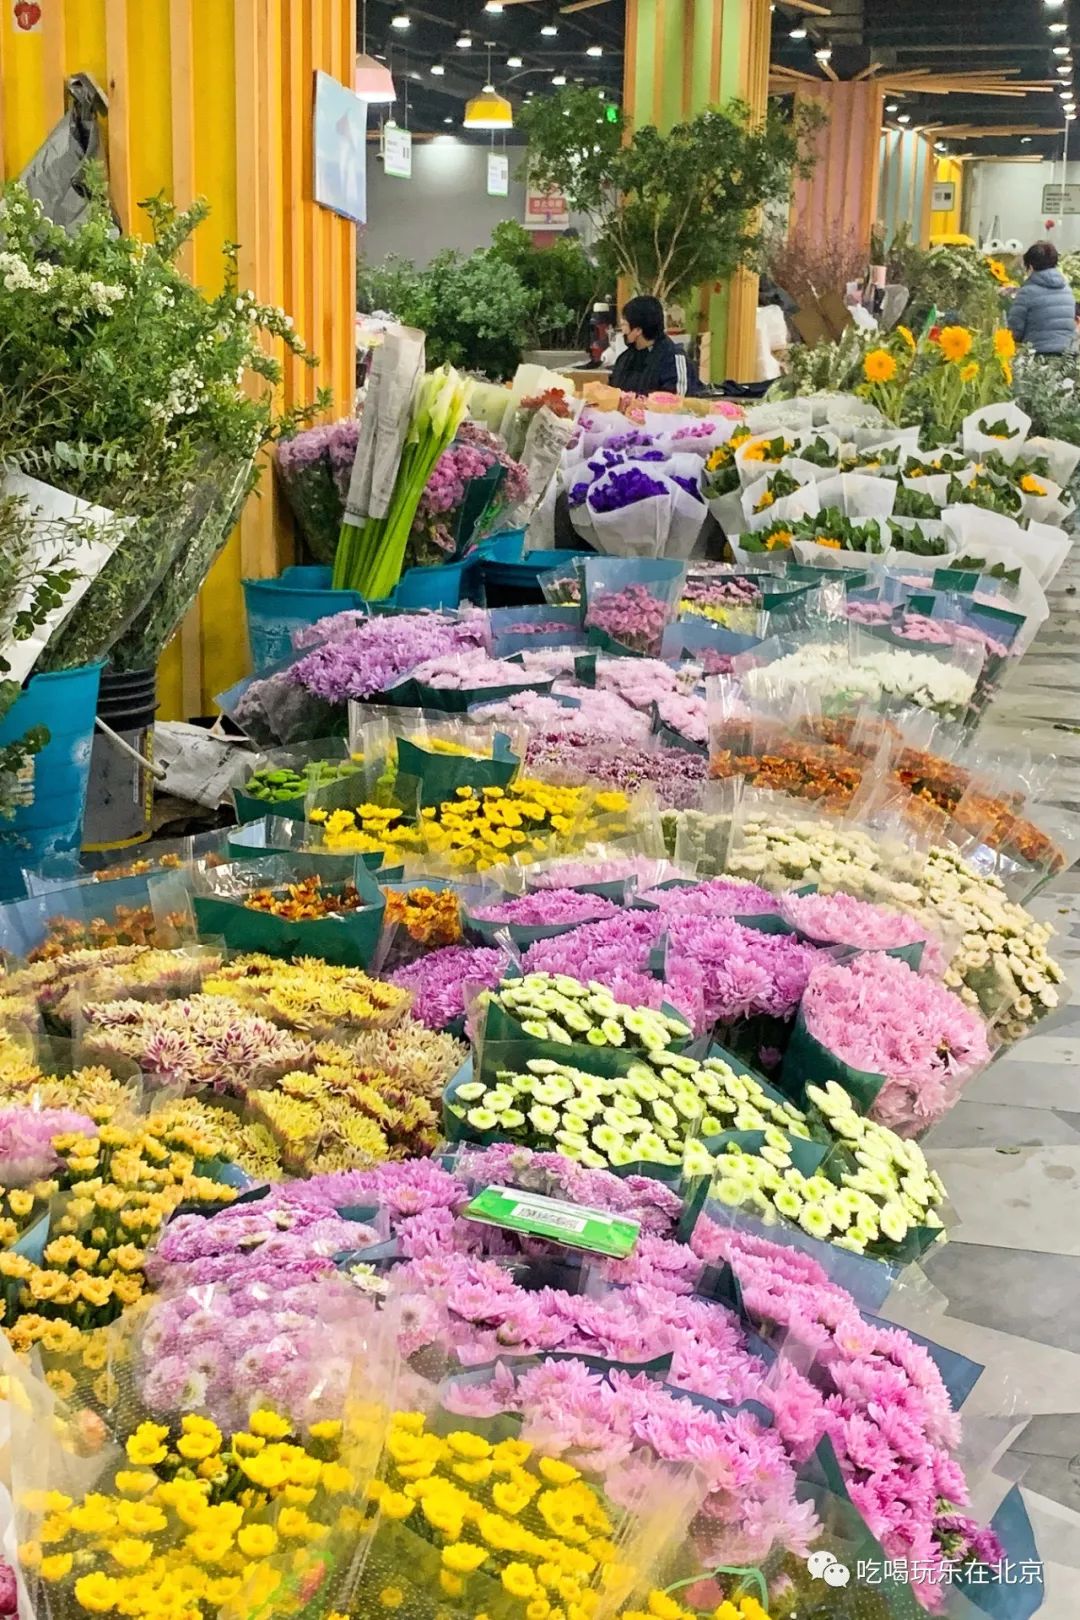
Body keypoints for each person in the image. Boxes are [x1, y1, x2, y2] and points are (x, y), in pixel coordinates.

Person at [608, 294, 701, 395]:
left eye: (624, 325)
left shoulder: (673, 360)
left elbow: (678, 403)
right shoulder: (624, 359)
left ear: (638, 330)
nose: (622, 331)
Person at [1006, 242, 1076, 355]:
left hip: (1037, 357)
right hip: (1066, 357)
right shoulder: (1067, 290)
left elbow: (1014, 332)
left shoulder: (1027, 293)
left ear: (1031, 267)